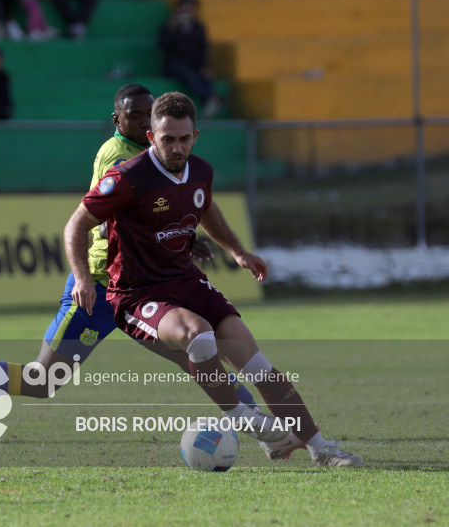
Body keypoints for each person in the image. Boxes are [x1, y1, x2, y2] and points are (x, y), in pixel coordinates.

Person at [0, 84, 306, 462]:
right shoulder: (120, 158)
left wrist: (190, 232)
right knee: (43, 379)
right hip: (100, 285)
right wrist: (83, 277)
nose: (145, 122)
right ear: (119, 120)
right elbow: (109, 214)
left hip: (147, 285)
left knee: (199, 354)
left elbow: (185, 200)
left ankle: (272, 436)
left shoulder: (165, 156)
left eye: (150, 114)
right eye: (136, 116)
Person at [64, 91, 364, 467]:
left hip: (186, 281)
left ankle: (321, 448)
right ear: (152, 135)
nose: (176, 147)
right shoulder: (127, 177)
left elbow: (205, 210)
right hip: (137, 294)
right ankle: (245, 419)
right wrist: (82, 279)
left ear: (196, 136)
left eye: (184, 139)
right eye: (167, 138)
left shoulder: (201, 171)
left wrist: (238, 251)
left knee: (258, 366)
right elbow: (75, 225)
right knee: (198, 334)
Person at [159, 0, 222, 120]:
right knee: (187, 74)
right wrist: (172, 30)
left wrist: (204, 66)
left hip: (194, 64)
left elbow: (202, 49)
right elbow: (164, 46)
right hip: (174, 64)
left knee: (204, 75)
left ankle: (209, 102)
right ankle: (211, 98)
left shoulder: (198, 27)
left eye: (191, 7)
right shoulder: (170, 26)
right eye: (185, 7)